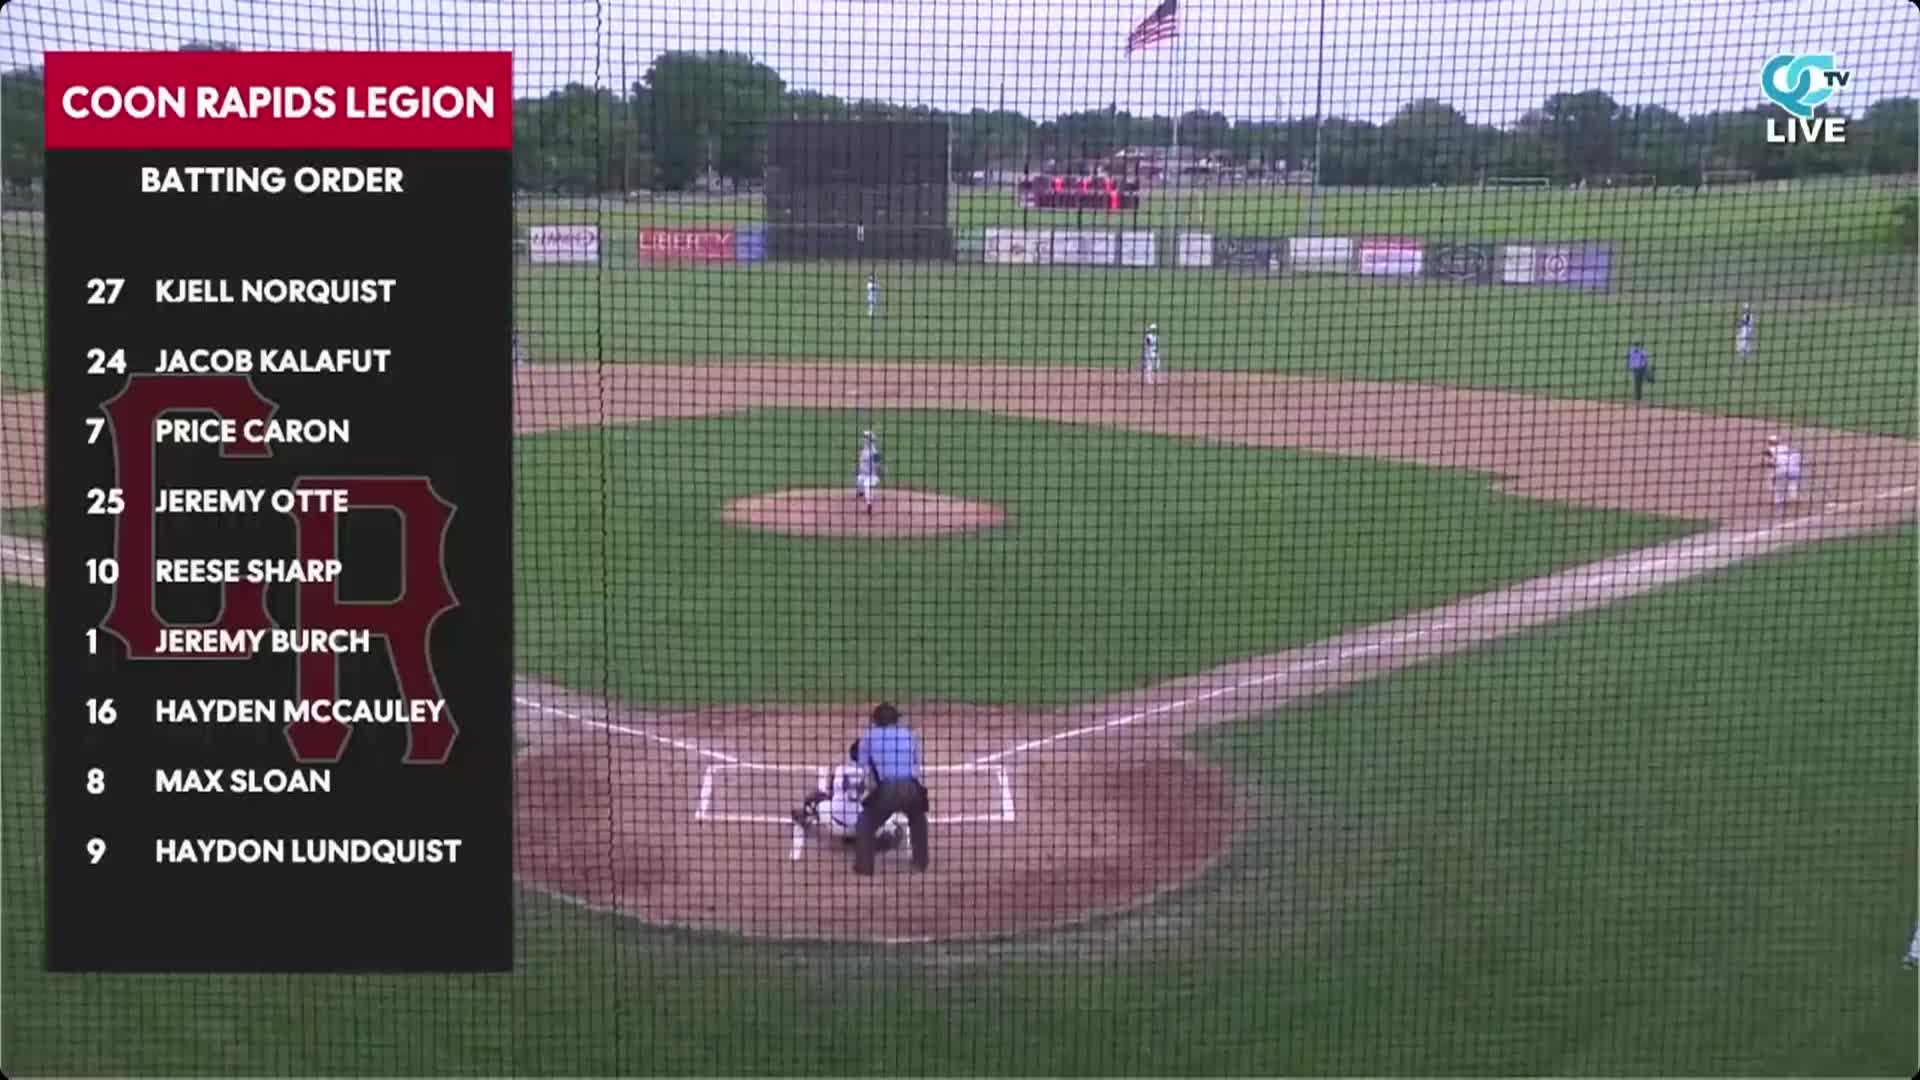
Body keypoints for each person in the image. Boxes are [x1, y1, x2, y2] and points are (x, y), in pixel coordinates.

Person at [851, 702, 930, 876]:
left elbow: (862, 763)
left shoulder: (869, 736)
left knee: (866, 822)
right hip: (912, 788)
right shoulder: (909, 735)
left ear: (876, 721)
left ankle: (865, 867)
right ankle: (921, 862)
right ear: (895, 720)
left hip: (887, 790)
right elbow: (917, 764)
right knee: (918, 818)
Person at [790, 744, 908, 851]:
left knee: (816, 796)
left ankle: (805, 817)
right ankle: (881, 839)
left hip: (835, 826)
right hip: (864, 829)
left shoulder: (840, 770)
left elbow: (831, 792)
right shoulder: (873, 774)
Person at [1763, 435, 1802, 513]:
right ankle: (1794, 497)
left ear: (1769, 442)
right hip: (1795, 469)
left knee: (1777, 486)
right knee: (1792, 485)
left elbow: (1768, 462)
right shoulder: (1786, 448)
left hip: (1781, 470)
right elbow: (1797, 455)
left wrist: (1769, 464)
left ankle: (1778, 504)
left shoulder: (1770, 450)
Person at [853, 429, 883, 514]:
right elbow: (860, 462)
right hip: (862, 474)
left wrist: (879, 473)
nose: (865, 439)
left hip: (871, 475)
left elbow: (878, 464)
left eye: (866, 437)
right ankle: (860, 493)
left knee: (867, 487)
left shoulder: (874, 452)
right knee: (858, 483)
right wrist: (857, 469)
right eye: (865, 437)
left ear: (871, 440)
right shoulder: (863, 450)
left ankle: (869, 504)